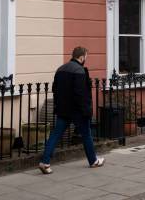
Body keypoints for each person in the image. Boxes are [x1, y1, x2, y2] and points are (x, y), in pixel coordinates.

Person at [39, 46, 104, 174]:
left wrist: (59, 106)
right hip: (77, 110)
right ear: (81, 57)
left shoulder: (60, 69)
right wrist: (86, 111)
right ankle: (93, 161)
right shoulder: (79, 71)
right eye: (86, 57)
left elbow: (55, 90)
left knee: (55, 134)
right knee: (86, 135)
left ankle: (45, 162)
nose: (86, 59)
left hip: (63, 109)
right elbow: (81, 94)